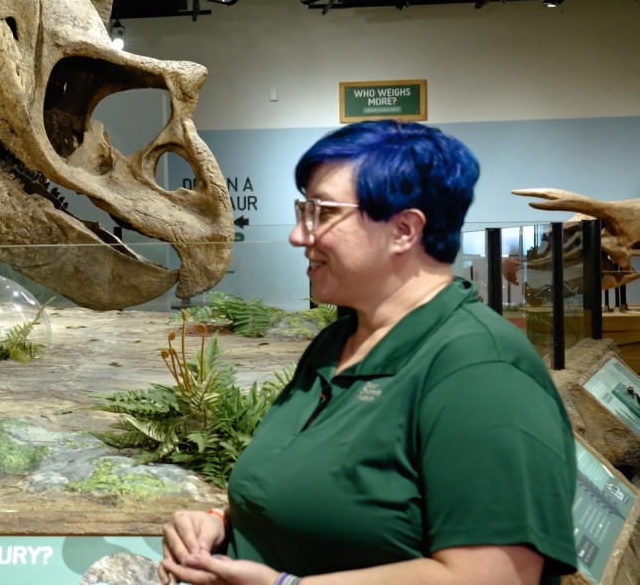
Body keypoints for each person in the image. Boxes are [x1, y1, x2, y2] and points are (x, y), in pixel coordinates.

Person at [160, 120, 576, 585]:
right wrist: (223, 524)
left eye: (323, 213)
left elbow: (494, 576)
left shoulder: (482, 370)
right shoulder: (336, 343)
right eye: (303, 210)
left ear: (404, 230)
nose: (299, 236)